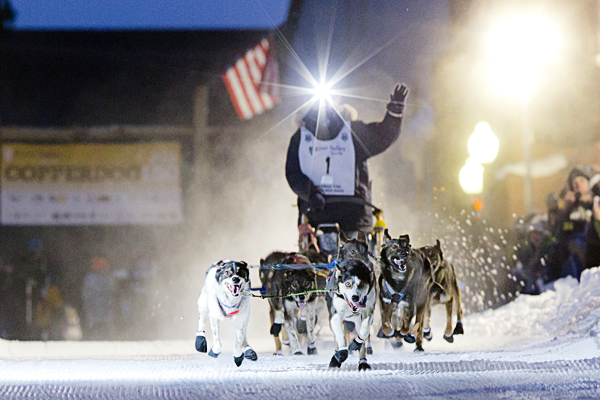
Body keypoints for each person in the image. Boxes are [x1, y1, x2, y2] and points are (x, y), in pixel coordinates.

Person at [285, 84, 409, 243]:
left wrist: (394, 114)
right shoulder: (300, 138)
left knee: (357, 263)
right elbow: (293, 174)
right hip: (317, 220)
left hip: (354, 219)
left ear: (336, 100)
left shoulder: (353, 133)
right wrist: (311, 193)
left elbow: (382, 137)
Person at [551, 168, 593, 281]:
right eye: (575, 183)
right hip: (575, 258)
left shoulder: (595, 201)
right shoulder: (570, 208)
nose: (578, 185)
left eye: (582, 181)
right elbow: (559, 236)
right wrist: (566, 210)